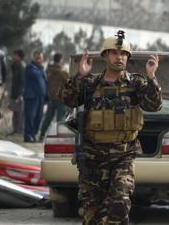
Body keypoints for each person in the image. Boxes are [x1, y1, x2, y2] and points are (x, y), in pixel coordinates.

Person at [61, 31, 162, 225]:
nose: (120, 57)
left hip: (123, 156)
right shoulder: (90, 83)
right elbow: (68, 99)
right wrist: (79, 76)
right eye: (114, 53)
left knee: (119, 205)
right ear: (105, 56)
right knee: (93, 214)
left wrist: (151, 77)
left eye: (123, 54)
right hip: (92, 158)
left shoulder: (136, 82)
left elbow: (154, 105)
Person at [38, 53, 70, 139]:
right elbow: (69, 83)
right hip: (60, 98)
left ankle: (42, 134)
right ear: (61, 60)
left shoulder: (49, 71)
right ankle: (60, 137)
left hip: (51, 98)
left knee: (48, 118)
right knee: (60, 119)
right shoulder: (63, 72)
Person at [23, 51, 47, 142]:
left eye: (40, 58)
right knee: (30, 117)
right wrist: (41, 68)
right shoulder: (30, 67)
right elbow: (35, 75)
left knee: (38, 118)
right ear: (33, 58)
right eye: (37, 58)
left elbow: (45, 82)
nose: (39, 60)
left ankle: (33, 135)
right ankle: (28, 136)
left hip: (40, 98)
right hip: (31, 97)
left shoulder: (41, 69)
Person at [10, 49, 26, 134]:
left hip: (19, 93)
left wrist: (20, 94)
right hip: (14, 92)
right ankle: (15, 129)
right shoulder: (14, 65)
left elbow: (22, 82)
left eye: (15, 55)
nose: (14, 57)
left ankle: (19, 130)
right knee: (15, 112)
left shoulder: (22, 66)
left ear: (19, 56)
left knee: (19, 113)